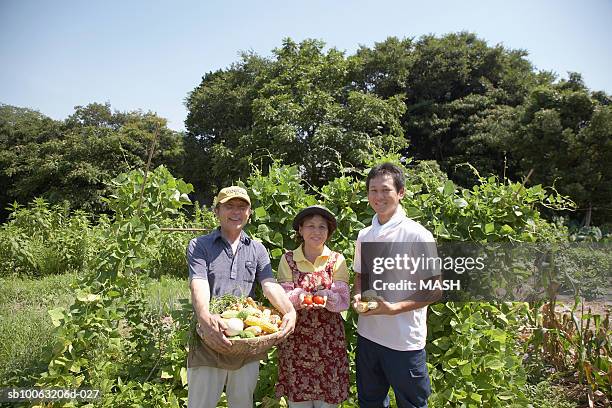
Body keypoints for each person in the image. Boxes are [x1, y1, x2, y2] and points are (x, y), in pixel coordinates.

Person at [186, 186, 297, 408]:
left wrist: (290, 311)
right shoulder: (200, 245)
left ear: (249, 213)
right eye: (229, 206)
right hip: (210, 337)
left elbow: (269, 285)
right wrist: (205, 317)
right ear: (217, 211)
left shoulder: (257, 249)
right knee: (200, 404)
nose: (236, 212)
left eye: (242, 207)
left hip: (246, 343)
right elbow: (198, 284)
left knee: (242, 403)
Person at [352, 163, 441, 408]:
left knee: (411, 404)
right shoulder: (364, 235)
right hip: (368, 337)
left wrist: (393, 308)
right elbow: (360, 275)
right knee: (370, 402)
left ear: (400, 192)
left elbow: (435, 289)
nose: (378, 197)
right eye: (373, 190)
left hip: (404, 344)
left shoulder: (417, 235)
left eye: (385, 190)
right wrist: (357, 296)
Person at [275, 205, 350, 408]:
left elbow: (343, 299)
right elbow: (282, 298)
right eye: (310, 226)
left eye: (322, 227)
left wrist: (328, 298)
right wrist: (302, 298)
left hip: (329, 343)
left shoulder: (337, 259)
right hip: (296, 341)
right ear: (300, 230)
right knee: (298, 401)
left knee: (328, 402)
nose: (316, 232)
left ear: (328, 231)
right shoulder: (288, 259)